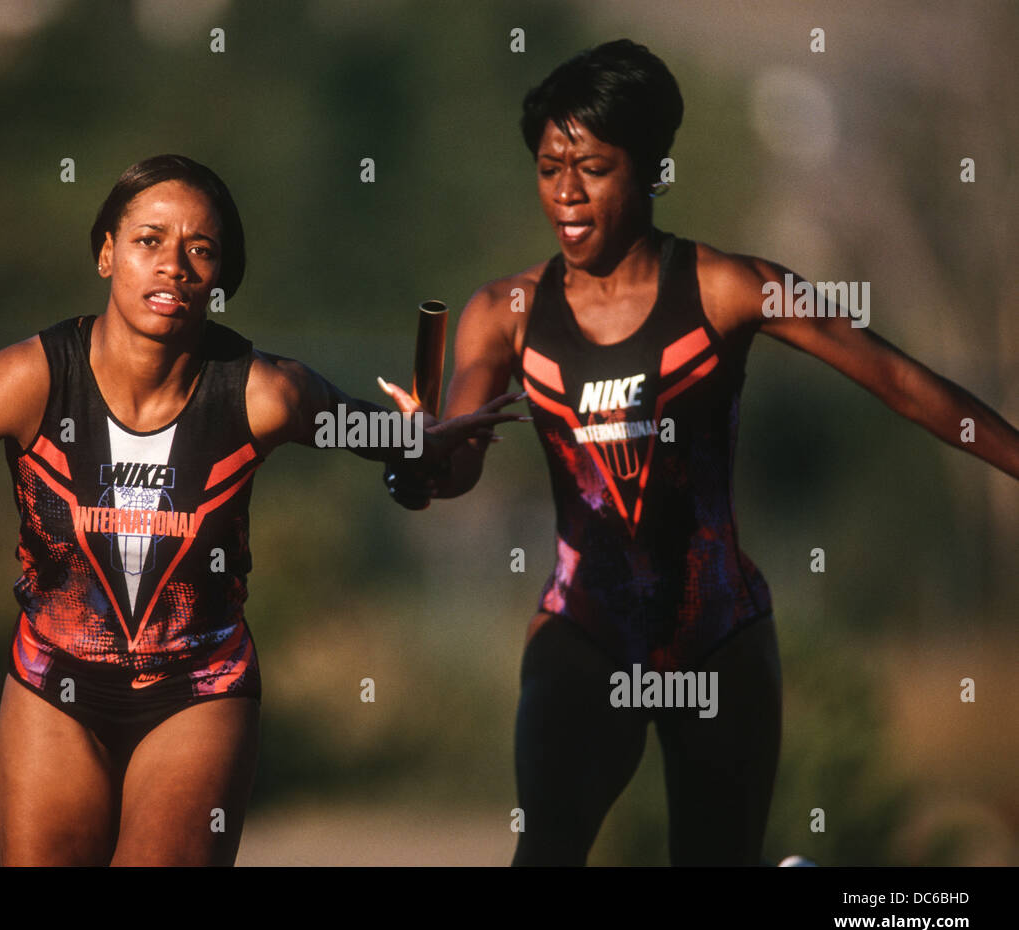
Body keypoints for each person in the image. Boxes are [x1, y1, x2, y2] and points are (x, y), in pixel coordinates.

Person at [0, 154, 523, 866]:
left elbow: (405, 451)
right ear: (106, 254)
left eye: (199, 251)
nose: (172, 265)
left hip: (198, 690)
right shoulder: (24, 380)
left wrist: (421, 451)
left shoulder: (266, 393)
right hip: (50, 687)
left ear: (222, 282)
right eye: (148, 240)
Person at [379, 40, 1019, 865]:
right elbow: (451, 465)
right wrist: (411, 462)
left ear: (649, 172)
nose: (566, 193)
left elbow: (900, 380)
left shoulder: (729, 289)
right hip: (584, 629)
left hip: (719, 633)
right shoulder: (502, 312)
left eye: (594, 168)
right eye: (548, 168)